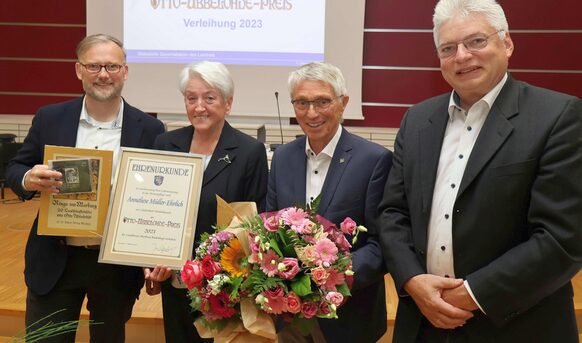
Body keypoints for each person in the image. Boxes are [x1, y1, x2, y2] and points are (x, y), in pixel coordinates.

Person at [378, 0, 582, 342]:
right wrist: (413, 281)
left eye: (476, 41)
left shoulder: (559, 117)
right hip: (423, 322)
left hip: (516, 326)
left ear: (507, 44)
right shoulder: (417, 120)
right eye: (448, 48)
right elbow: (392, 214)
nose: (462, 56)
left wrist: (470, 295)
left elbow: (563, 238)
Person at [6, 34, 166, 342]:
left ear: (125, 71)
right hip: (56, 259)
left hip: (116, 264)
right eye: (94, 66)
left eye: (111, 66)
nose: (103, 74)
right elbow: (14, 168)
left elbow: (154, 201)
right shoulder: (50, 118)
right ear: (79, 70)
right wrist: (28, 178)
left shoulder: (150, 129)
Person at [266, 62, 393, 342]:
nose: (311, 113)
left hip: (348, 319)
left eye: (322, 101)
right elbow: (269, 229)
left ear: (343, 102)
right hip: (290, 318)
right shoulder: (283, 158)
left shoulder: (374, 160)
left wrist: (330, 277)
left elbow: (380, 244)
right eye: (302, 102)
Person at [144, 61, 269, 343]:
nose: (199, 106)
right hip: (174, 280)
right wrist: (150, 260)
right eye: (191, 98)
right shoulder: (165, 144)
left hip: (222, 288)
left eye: (209, 98)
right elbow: (150, 208)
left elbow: (254, 222)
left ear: (228, 103)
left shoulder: (250, 151)